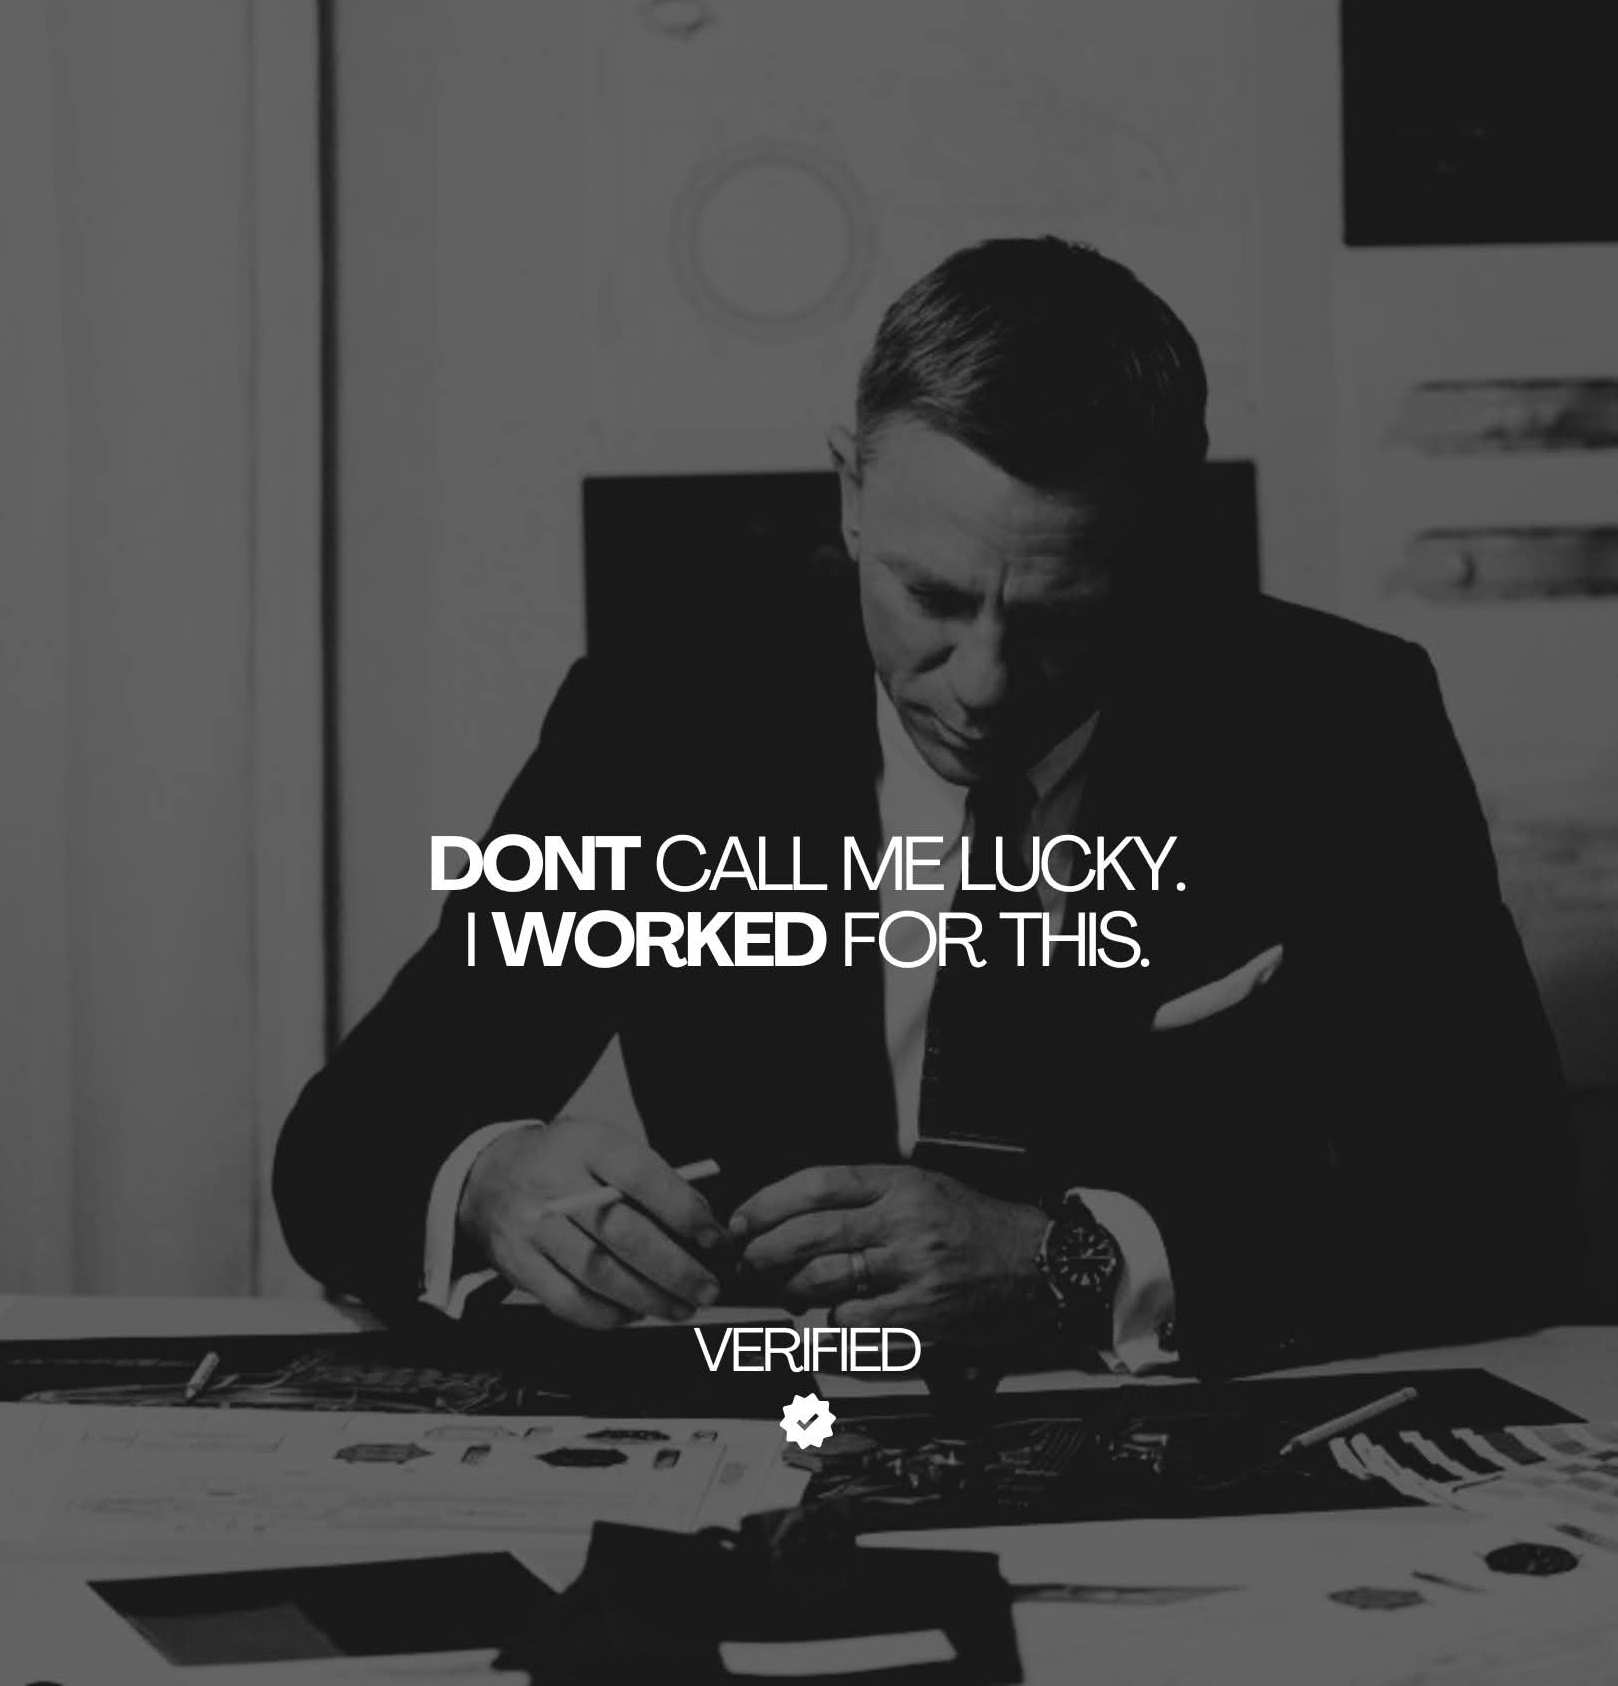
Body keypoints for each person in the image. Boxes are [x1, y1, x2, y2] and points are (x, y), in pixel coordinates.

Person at [274, 237, 1583, 1368]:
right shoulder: (660, 719)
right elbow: (341, 1152)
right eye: (933, 598)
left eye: (1062, 617)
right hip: (783, 1427)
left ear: (1163, 547)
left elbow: (1513, 1213)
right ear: (851, 496)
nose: (984, 685)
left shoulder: (1344, 723)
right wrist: (488, 1181)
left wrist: (1071, 1264)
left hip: (1175, 1436)